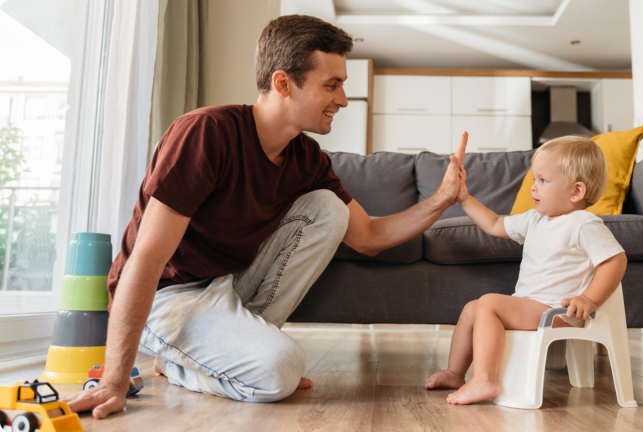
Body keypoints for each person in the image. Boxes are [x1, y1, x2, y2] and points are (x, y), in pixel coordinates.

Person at [63, 15, 468, 419]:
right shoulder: (205, 133)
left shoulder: (307, 159)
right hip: (167, 297)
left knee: (327, 208)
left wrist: (440, 200)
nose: (343, 99)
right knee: (281, 369)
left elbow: (369, 236)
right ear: (283, 83)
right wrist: (114, 381)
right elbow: (147, 258)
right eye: (332, 85)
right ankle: (191, 364)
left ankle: (211, 360)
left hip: (227, 285)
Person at [424, 135, 628, 405]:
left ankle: (485, 379)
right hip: (531, 305)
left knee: (488, 303)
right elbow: (494, 224)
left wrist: (589, 299)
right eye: (534, 179)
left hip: (558, 311)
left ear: (576, 191)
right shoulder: (535, 219)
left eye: (543, 180)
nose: (534, 187)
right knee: (472, 308)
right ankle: (455, 373)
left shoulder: (583, 224)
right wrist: (464, 198)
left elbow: (615, 260)